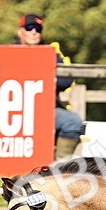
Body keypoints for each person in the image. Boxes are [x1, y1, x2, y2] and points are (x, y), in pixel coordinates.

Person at [16, 13, 84, 160]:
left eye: (38, 29)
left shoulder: (51, 53)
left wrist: (40, 76)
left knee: (72, 122)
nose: (34, 32)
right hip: (12, 110)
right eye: (29, 28)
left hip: (46, 110)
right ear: (20, 31)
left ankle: (59, 171)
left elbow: (66, 80)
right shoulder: (8, 52)